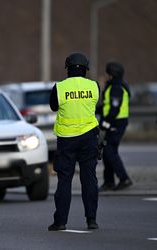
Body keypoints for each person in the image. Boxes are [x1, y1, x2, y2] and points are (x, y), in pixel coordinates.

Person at [48, 52, 100, 231]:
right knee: (89, 179)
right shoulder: (94, 86)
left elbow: (54, 106)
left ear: (67, 68)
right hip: (89, 138)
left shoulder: (60, 87)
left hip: (67, 140)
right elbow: (96, 105)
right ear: (86, 69)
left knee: (64, 180)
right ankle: (91, 219)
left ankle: (60, 221)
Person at [98, 62, 132, 191]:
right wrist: (97, 110)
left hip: (116, 123)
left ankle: (124, 179)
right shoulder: (114, 86)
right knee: (108, 151)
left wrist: (106, 124)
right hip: (115, 122)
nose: (107, 76)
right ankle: (109, 182)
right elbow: (107, 106)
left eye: (108, 74)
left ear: (112, 74)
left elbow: (114, 109)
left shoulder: (116, 88)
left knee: (110, 151)